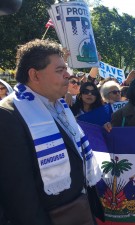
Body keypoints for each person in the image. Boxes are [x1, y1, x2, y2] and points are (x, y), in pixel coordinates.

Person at [0, 39, 102, 225]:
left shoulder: (60, 106)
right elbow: (19, 194)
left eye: (66, 69)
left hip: (79, 211)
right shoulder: (7, 115)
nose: (68, 75)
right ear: (35, 75)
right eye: (59, 70)